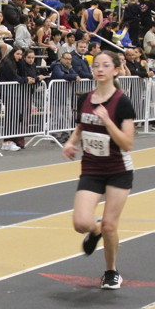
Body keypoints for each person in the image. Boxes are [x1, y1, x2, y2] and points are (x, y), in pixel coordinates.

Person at [61, 50, 136, 290]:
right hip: (92, 168)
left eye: (105, 65)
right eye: (96, 65)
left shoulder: (122, 102)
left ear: (116, 70)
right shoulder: (85, 98)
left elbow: (127, 143)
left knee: (111, 226)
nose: (100, 69)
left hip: (118, 169)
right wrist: (71, 142)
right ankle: (95, 230)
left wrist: (108, 122)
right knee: (81, 223)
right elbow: (81, 127)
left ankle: (111, 271)